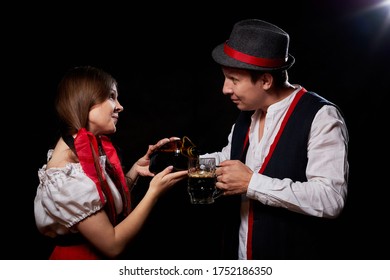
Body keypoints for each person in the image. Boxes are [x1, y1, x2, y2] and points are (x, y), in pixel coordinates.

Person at [202, 19, 349, 259]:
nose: (225, 89)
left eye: (234, 80)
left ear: (266, 81)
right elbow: (229, 158)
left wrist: (252, 184)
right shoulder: (247, 113)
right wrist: (179, 162)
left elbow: (330, 199)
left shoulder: (320, 116)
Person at [34, 65, 188, 260]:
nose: (119, 106)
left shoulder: (83, 151)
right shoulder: (66, 173)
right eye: (111, 96)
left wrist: (134, 172)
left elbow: (100, 206)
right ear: (86, 102)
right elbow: (112, 245)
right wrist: (154, 192)